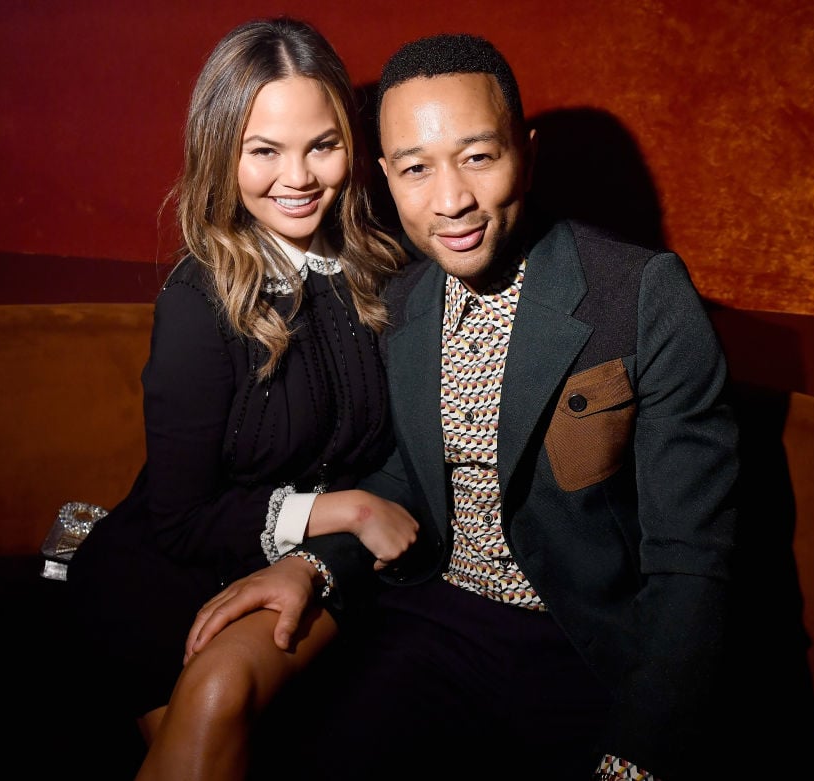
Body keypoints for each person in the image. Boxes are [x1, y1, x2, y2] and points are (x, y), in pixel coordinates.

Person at [186, 32, 743, 781]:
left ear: (527, 151)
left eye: (479, 157)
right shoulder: (403, 297)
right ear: (385, 176)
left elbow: (692, 560)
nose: (451, 201)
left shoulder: (642, 295)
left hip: (583, 644)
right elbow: (401, 479)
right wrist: (314, 564)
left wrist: (643, 752)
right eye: (416, 169)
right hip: (429, 620)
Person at [64, 17, 420, 780]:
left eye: (321, 145)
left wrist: (334, 538)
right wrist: (347, 509)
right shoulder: (198, 302)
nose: (298, 177)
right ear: (222, 154)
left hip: (312, 569)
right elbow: (181, 518)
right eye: (264, 150)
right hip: (161, 581)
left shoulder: (386, 268)